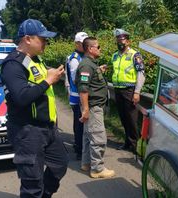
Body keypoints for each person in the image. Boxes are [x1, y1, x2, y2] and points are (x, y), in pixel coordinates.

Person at [0, 19, 68, 198]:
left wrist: (52, 76)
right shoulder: (12, 64)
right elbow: (21, 97)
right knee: (32, 183)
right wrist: (48, 81)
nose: (46, 42)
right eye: (42, 38)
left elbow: (37, 84)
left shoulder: (36, 60)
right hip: (27, 131)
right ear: (27, 39)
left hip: (48, 128)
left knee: (60, 164)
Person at [76, 36, 115, 178]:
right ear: (90, 49)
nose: (100, 49)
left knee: (88, 136)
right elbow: (83, 89)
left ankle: (86, 163)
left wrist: (99, 70)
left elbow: (89, 80)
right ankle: (97, 169)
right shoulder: (86, 65)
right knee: (98, 137)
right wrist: (86, 109)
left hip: (92, 106)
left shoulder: (91, 64)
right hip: (93, 107)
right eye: (98, 47)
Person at [111, 29, 145, 152]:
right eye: (118, 40)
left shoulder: (135, 55)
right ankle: (128, 142)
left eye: (122, 40)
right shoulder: (114, 56)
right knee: (123, 118)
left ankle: (136, 146)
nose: (120, 42)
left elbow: (141, 74)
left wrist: (137, 92)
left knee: (132, 119)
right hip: (118, 90)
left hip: (129, 91)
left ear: (128, 41)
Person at [64, 32, 88, 160]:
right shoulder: (75, 59)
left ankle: (78, 146)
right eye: (82, 43)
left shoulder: (82, 56)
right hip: (77, 96)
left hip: (80, 95)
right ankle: (79, 150)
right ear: (77, 44)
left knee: (79, 123)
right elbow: (75, 78)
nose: (85, 45)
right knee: (80, 124)